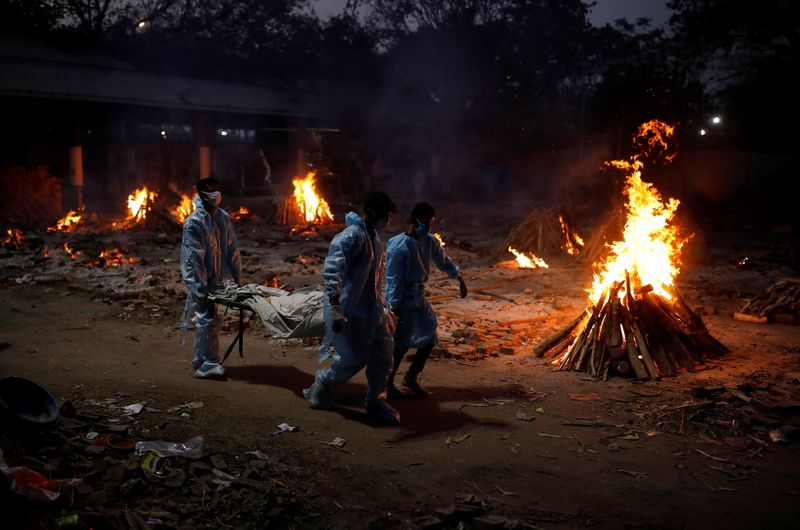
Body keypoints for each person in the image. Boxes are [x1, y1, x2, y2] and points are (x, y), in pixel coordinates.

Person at [303, 191, 401, 424]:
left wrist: (383, 305)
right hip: (349, 310)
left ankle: (376, 401)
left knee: (383, 354)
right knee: (353, 358)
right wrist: (336, 309)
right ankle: (321, 385)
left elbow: (375, 277)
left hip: (372, 310)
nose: (386, 220)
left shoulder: (373, 237)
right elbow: (332, 274)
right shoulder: (349, 238)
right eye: (384, 215)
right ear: (370, 212)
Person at [385, 202, 467, 397]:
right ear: (415, 220)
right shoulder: (399, 246)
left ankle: (411, 377)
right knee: (399, 345)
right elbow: (393, 279)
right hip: (403, 300)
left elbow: (443, 260)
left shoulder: (429, 241)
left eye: (431, 223)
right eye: (426, 222)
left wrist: (459, 278)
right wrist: (394, 307)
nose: (428, 226)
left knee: (429, 336)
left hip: (418, 298)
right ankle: (387, 384)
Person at [179, 177, 241, 378]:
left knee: (212, 320)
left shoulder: (223, 218)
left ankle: (201, 358)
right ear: (201, 194)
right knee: (206, 320)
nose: (215, 193)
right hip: (201, 280)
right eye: (210, 190)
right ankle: (209, 363)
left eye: (217, 188)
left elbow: (232, 249)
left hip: (220, 279)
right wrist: (199, 285)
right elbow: (194, 257)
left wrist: (236, 277)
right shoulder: (194, 223)